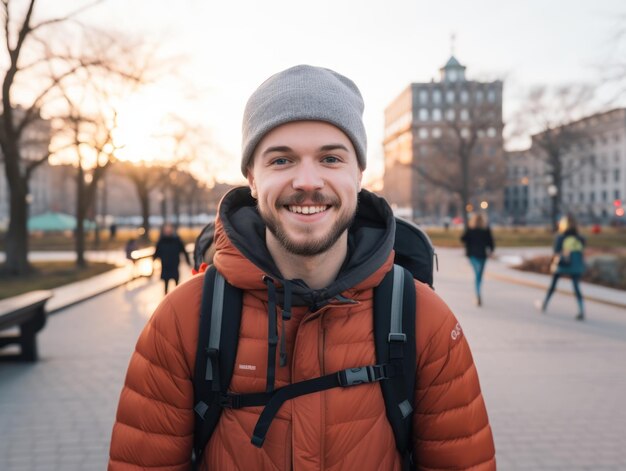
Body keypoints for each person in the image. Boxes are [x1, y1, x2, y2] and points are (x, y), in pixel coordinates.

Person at [108, 65, 495, 470]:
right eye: (281, 160)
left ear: (358, 175)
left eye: (330, 158)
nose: (307, 181)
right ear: (252, 179)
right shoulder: (183, 320)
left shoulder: (426, 321)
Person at [538, 214, 586, 320]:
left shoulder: (560, 237)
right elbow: (582, 250)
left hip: (562, 264)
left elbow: (556, 251)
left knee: (553, 285)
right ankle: (581, 309)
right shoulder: (580, 238)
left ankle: (545, 303)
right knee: (576, 288)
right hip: (576, 265)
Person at [460, 213, 495, 307]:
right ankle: (478, 293)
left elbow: (462, 239)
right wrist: (491, 251)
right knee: (479, 276)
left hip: (473, 255)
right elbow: (491, 242)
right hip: (483, 255)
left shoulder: (471, 229)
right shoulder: (486, 230)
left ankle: (478, 294)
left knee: (477, 274)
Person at [153, 223, 191, 294]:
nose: (168, 231)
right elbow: (156, 253)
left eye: (169, 229)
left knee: (176, 285)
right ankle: (166, 298)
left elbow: (184, 251)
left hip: (174, 266)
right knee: (166, 285)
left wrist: (188, 262)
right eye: (166, 230)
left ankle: (177, 298)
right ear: (164, 231)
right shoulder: (161, 241)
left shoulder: (177, 240)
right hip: (165, 266)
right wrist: (153, 262)